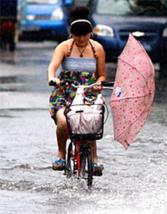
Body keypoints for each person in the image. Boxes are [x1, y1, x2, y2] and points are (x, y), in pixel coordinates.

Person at [47, 6, 106, 175]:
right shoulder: (64, 47)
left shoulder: (98, 49)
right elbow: (53, 66)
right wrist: (53, 78)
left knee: (91, 122)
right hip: (65, 92)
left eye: (85, 35)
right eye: (77, 35)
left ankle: (94, 158)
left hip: (88, 93)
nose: (81, 39)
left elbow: (101, 75)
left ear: (90, 33)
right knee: (64, 122)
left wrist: (99, 83)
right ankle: (61, 153)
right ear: (71, 34)